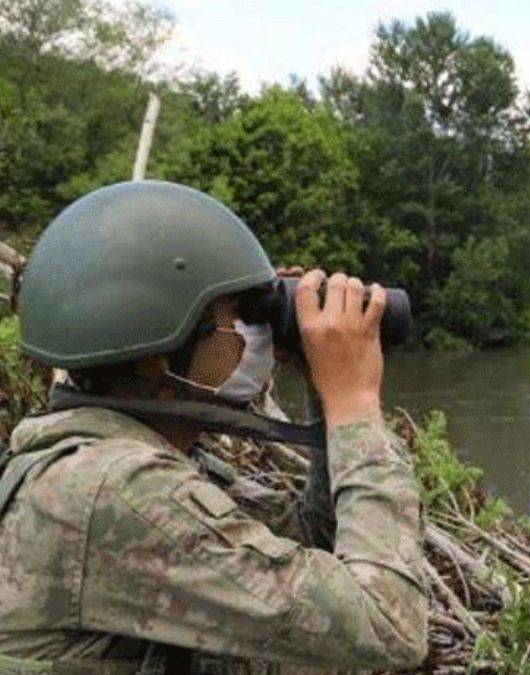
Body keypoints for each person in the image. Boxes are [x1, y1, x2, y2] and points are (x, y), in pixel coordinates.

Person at [0, 181, 427, 673]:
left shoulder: (119, 457)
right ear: (164, 353)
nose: (247, 337)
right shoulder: (112, 489)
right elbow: (389, 627)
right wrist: (355, 404)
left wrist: (321, 389)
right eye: (234, 318)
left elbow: (314, 541)